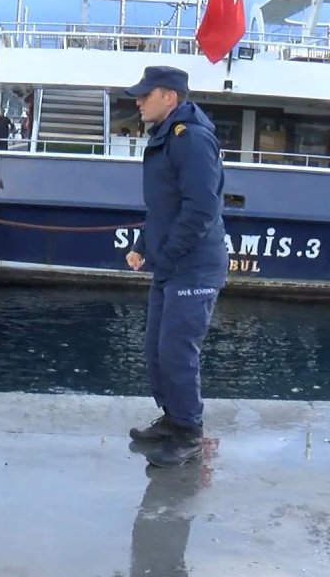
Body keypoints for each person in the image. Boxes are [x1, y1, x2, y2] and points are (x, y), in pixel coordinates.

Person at [122, 66, 227, 468]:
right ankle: (172, 418)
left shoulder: (192, 140)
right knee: (156, 352)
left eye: (145, 95)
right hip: (171, 264)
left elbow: (201, 209)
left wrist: (166, 255)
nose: (138, 101)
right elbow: (164, 206)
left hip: (193, 266)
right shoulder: (168, 136)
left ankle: (188, 433)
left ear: (169, 97)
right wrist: (143, 246)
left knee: (177, 352)